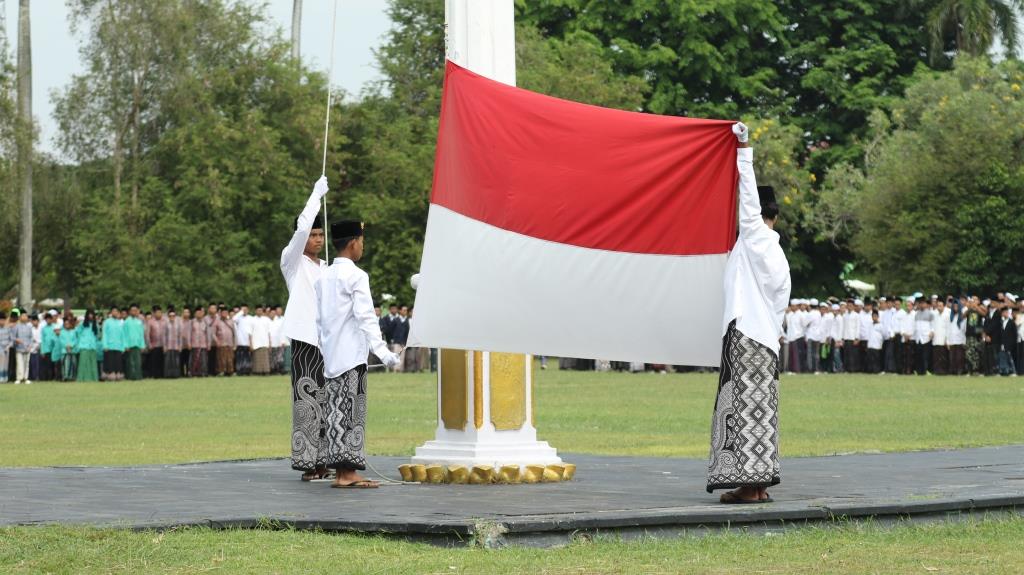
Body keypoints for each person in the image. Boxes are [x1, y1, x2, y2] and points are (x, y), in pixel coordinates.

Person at [708, 123, 790, 504]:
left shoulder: (755, 235)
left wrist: (743, 149)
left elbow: (746, 197)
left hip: (745, 335)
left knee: (741, 408)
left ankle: (749, 484)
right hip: (768, 341)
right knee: (760, 411)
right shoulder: (778, 255)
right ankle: (758, 485)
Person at [316, 219, 400, 489]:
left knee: (335, 414)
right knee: (351, 413)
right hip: (351, 356)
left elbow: (319, 319)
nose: (362, 247)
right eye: (362, 242)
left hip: (330, 356)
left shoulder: (323, 276)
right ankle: (348, 473)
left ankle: (341, 472)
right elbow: (366, 317)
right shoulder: (357, 276)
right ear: (353, 243)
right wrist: (384, 353)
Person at [281, 176, 331, 481]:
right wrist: (316, 196)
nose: (316, 239)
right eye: (313, 234)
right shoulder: (292, 261)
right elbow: (301, 228)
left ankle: (326, 458)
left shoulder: (326, 267)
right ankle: (308, 463)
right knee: (306, 398)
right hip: (304, 340)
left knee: (328, 398)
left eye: (320, 234)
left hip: (327, 342)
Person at [76, 310, 101, 382]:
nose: (90, 316)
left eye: (92, 314)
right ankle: (82, 378)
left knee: (92, 363)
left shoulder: (96, 325)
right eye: (89, 314)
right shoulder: (82, 324)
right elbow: (78, 333)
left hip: (92, 345)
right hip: (84, 345)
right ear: (86, 316)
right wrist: (81, 341)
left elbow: (98, 336)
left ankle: (93, 378)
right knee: (83, 363)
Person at [101, 308, 126, 381]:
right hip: (109, 346)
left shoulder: (120, 323)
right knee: (110, 363)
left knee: (118, 362)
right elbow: (104, 334)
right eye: (113, 311)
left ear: (118, 313)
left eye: (116, 311)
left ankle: (118, 375)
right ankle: (109, 376)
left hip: (118, 346)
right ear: (111, 312)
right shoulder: (107, 322)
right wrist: (105, 345)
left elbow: (123, 335)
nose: (115, 313)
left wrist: (123, 346)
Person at [124, 304, 145, 380]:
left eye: (135, 310)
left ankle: (138, 376)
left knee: (138, 362)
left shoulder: (139, 322)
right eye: (132, 310)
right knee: (130, 362)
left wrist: (142, 345)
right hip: (129, 345)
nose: (134, 312)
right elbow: (124, 334)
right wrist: (126, 345)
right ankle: (130, 376)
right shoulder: (126, 322)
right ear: (129, 311)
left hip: (138, 345)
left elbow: (141, 334)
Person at [994, 306, 1018, 376]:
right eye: (1004, 312)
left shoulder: (1011, 322)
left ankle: (1013, 371)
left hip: (1009, 344)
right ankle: (1002, 371)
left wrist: (1012, 344)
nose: (1005, 314)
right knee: (1001, 357)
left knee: (1010, 358)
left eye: (1007, 312)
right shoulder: (1000, 322)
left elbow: (1014, 334)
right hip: (1002, 343)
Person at [212, 306, 236, 376]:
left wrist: (234, 344)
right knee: (221, 359)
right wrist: (217, 341)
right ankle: (221, 371)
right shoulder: (217, 322)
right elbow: (213, 333)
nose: (225, 314)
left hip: (230, 344)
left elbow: (234, 334)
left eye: (226, 312)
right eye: (223, 312)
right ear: (220, 313)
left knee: (230, 358)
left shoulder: (231, 322)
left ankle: (230, 371)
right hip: (221, 344)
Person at [250, 305, 272, 375]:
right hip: (256, 343)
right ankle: (257, 372)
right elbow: (250, 333)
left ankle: (266, 371)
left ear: (262, 311)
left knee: (265, 358)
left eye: (260, 310)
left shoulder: (266, 320)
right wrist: (251, 344)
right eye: (258, 310)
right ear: (255, 311)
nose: (259, 311)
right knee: (257, 359)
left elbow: (269, 332)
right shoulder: (252, 320)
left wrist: (270, 343)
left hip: (265, 342)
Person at [163, 306, 184, 379]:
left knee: (176, 361)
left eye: (173, 316)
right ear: (168, 316)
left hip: (176, 346)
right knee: (168, 361)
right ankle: (168, 374)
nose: (172, 317)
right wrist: (164, 346)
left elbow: (180, 336)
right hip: (168, 346)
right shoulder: (166, 324)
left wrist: (180, 346)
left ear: (175, 316)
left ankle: (176, 374)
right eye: (170, 316)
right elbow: (164, 336)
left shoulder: (178, 325)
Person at [13, 310, 33, 384]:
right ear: (20, 317)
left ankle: (25, 378)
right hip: (19, 348)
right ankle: (19, 378)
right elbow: (13, 337)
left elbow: (31, 337)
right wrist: (16, 340)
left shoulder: (29, 326)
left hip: (27, 348)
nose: (25, 317)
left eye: (26, 316)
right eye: (23, 316)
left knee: (26, 364)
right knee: (19, 363)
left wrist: (30, 346)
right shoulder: (16, 326)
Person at [233, 305, 254, 376]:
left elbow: (252, 330)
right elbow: (233, 319)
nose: (244, 311)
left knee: (247, 357)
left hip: (248, 341)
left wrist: (251, 343)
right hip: (240, 341)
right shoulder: (239, 318)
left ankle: (247, 371)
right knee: (240, 357)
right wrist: (241, 312)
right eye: (243, 309)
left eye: (246, 309)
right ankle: (239, 371)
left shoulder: (251, 318)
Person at [190, 307, 209, 377]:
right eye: (197, 313)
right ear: (195, 314)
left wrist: (208, 344)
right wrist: (189, 343)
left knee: (203, 360)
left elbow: (208, 334)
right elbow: (189, 333)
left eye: (200, 313)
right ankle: (194, 373)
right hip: (194, 344)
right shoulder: (192, 322)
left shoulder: (205, 322)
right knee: (194, 360)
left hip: (203, 344)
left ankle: (203, 373)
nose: (199, 314)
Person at [0, 312, 12, 383]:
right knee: (1, 364)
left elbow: (11, 340)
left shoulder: (8, 329)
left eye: (3, 320)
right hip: (0, 349)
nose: (2, 321)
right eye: (0, 320)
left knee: (6, 364)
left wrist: (8, 346)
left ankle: (5, 378)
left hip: (7, 349)